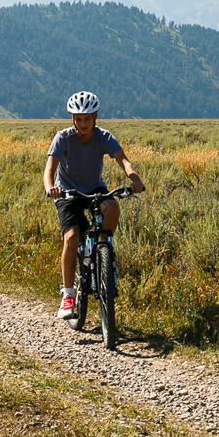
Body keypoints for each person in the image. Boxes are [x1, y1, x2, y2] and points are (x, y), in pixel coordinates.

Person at [43, 90, 145, 319]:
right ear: (72, 118)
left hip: (95, 188)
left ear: (96, 116)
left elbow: (123, 160)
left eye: (87, 118)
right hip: (67, 192)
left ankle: (103, 253)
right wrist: (51, 188)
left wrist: (135, 179)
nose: (82, 123)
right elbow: (49, 169)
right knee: (71, 236)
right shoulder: (63, 137)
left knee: (112, 207)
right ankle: (68, 295)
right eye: (78, 118)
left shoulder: (104, 137)